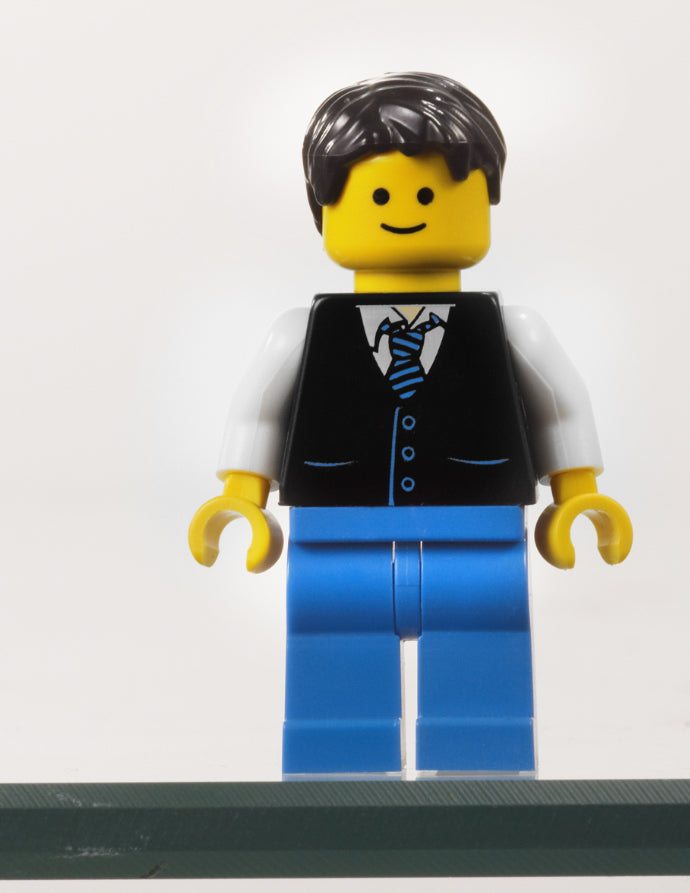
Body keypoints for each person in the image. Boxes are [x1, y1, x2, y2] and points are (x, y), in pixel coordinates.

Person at [189, 73, 632, 779]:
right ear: (325, 209)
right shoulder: (301, 331)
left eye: (430, 195)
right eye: (379, 197)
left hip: (479, 527)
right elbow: (258, 412)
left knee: (483, 636)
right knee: (332, 641)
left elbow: (563, 406)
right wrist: (241, 499)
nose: (406, 211)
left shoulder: (513, 327)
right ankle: (336, 783)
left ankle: (483, 783)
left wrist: (577, 494)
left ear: (484, 200)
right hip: (335, 531)